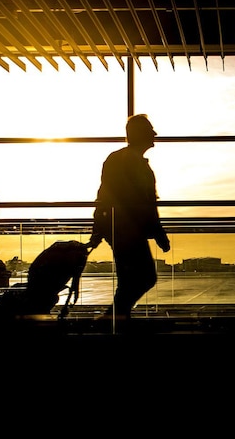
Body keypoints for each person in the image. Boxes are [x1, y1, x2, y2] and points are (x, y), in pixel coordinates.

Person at [88, 114, 171, 322]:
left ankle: (117, 317)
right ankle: (114, 318)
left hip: (121, 228)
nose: (155, 134)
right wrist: (158, 232)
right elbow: (144, 202)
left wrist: (98, 229)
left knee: (132, 279)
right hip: (127, 229)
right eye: (150, 130)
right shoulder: (131, 162)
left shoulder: (120, 159)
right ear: (139, 134)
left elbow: (104, 196)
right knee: (144, 277)